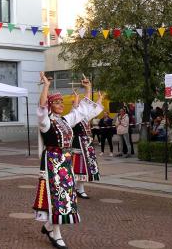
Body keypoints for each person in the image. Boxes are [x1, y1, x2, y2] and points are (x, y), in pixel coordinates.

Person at [32, 73, 103, 249]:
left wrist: (88, 89)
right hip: (51, 163)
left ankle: (49, 226)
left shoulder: (65, 121)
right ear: (50, 105)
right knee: (56, 197)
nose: (60, 104)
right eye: (56, 102)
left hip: (65, 163)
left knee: (66, 197)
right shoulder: (46, 123)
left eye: (61, 102)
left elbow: (82, 111)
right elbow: (41, 109)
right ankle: (56, 233)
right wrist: (46, 86)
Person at [71, 91, 104, 199]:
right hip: (78, 144)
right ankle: (73, 188)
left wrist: (100, 99)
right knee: (77, 167)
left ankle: (80, 189)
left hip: (86, 144)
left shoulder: (86, 118)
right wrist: (76, 98)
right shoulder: (74, 117)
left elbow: (95, 110)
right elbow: (75, 109)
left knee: (84, 168)